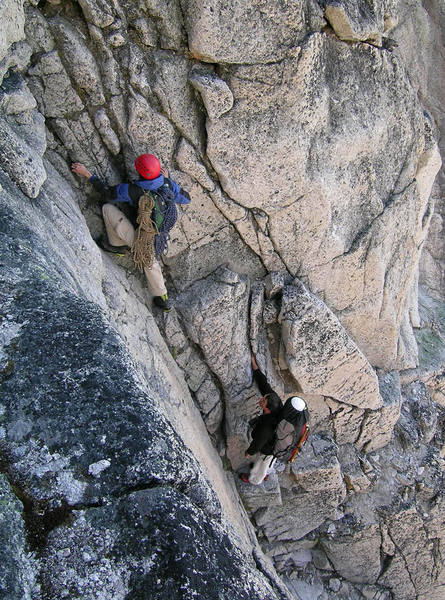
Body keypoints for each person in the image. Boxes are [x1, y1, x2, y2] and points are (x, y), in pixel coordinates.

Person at [72, 154, 190, 311]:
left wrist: (88, 174)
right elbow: (186, 198)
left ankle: (117, 246)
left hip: (144, 237)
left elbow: (108, 193)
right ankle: (162, 297)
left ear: (140, 172)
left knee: (108, 209)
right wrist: (166, 180)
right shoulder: (166, 184)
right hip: (159, 235)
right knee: (150, 255)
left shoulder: (134, 190)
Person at [240, 354, 309, 486]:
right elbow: (264, 386)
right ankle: (266, 473)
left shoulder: (267, 426)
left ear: (267, 409)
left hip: (270, 448)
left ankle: (254, 479)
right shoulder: (277, 403)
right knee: (270, 462)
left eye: (263, 401)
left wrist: (249, 452)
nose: (261, 400)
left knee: (263, 464)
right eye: (264, 398)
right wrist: (255, 366)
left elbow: (259, 442)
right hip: (278, 442)